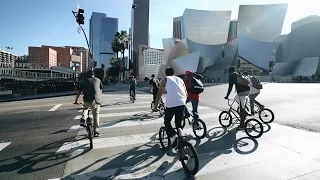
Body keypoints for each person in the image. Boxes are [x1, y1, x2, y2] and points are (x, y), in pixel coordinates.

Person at [153, 67, 188, 148]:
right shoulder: (180, 80)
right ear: (174, 73)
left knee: (167, 122)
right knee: (178, 123)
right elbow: (186, 93)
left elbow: (159, 94)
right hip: (181, 103)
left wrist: (155, 107)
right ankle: (181, 135)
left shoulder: (165, 80)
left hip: (171, 104)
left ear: (166, 73)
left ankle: (174, 135)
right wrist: (182, 102)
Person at [74, 70, 102, 137]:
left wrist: (76, 101)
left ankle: (83, 119)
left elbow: (79, 92)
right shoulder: (98, 80)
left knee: (85, 108)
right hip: (96, 100)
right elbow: (100, 89)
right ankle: (96, 132)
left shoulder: (85, 81)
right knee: (96, 115)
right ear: (94, 74)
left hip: (87, 100)